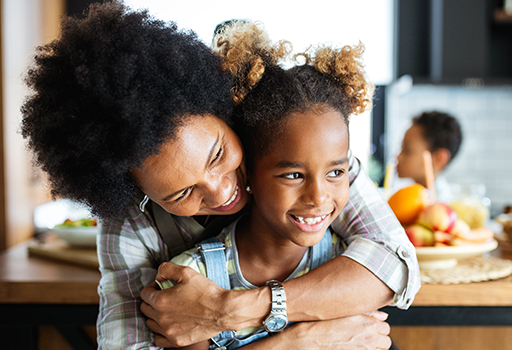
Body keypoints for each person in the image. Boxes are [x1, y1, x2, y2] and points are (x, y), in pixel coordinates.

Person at [20, 2, 419, 349]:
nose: (221, 190)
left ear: (222, 109)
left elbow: (397, 265)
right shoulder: (131, 226)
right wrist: (299, 342)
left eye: (218, 155)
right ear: (137, 192)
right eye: (182, 193)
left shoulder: (294, 155)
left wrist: (231, 310)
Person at [159, 22, 375, 350]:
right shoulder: (193, 279)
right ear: (247, 173)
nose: (318, 197)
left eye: (336, 172)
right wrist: (299, 342)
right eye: (293, 175)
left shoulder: (350, 265)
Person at [395, 111, 463, 202]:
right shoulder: (403, 197)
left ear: (439, 159)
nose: (398, 157)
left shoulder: (441, 206)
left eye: (407, 151)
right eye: (401, 148)